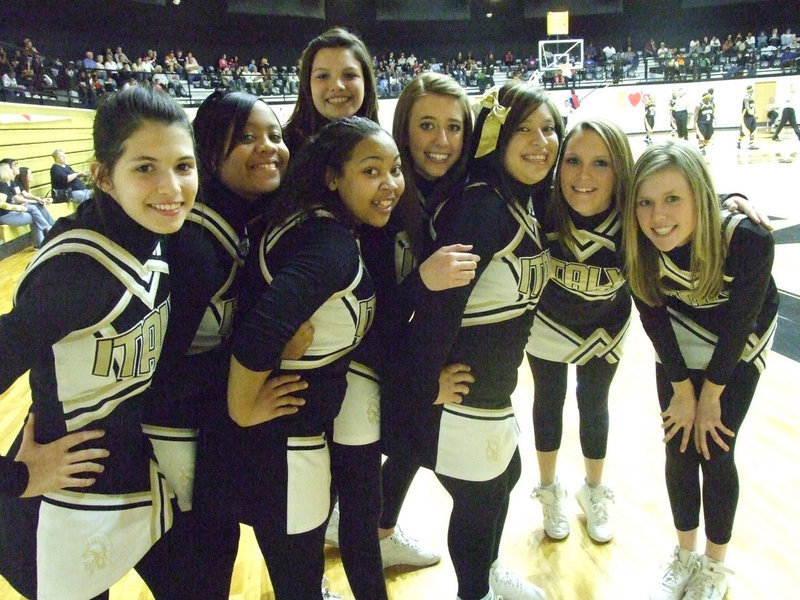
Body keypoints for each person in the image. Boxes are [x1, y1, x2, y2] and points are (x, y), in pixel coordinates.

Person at [0, 85, 198, 600]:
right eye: (145, 167)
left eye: (183, 165)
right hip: (60, 511)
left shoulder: (151, 239)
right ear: (102, 175)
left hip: (135, 484)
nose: (172, 186)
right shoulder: (74, 275)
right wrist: (16, 478)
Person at [221, 116, 403, 600]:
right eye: (371, 171)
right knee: (299, 582)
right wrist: (244, 409)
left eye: (395, 169)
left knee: (300, 577)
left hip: (299, 441)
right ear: (332, 176)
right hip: (284, 444)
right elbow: (260, 331)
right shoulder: (331, 245)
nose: (389, 184)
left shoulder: (324, 225)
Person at [393, 81, 562, 600]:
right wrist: (424, 385)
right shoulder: (481, 208)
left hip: (493, 391)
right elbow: (436, 312)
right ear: (497, 136)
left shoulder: (520, 200)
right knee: (481, 500)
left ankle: (484, 573)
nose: (540, 141)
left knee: (504, 477)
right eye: (524, 130)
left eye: (549, 129)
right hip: (462, 395)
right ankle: (476, 589)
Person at [138, 90, 293, 600]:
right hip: (164, 437)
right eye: (246, 138)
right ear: (210, 153)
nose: (267, 147)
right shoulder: (195, 244)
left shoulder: (234, 219)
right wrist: (249, 376)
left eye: (274, 134)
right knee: (199, 570)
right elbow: (152, 373)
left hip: (197, 429)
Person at [622, 140, 778, 600]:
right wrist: (681, 391)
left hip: (739, 338)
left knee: (715, 447)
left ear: (700, 198)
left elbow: (740, 323)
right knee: (678, 444)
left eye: (673, 199)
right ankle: (685, 555)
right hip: (678, 331)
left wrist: (710, 395)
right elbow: (653, 316)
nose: (657, 216)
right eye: (646, 202)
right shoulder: (635, 241)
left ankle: (714, 566)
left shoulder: (748, 239)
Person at [527, 118, 633, 545]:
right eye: (573, 160)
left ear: (621, 169)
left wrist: (733, 200)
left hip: (604, 329)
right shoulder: (539, 204)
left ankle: (593, 492)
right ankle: (550, 491)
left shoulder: (635, 214)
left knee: (594, 404)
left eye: (600, 163)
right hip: (548, 324)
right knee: (548, 402)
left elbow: (688, 204)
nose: (584, 175)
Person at [282, 27, 379, 154]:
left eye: (349, 75)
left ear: (366, 83)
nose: (337, 85)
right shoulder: (282, 152)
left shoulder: (385, 147)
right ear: (307, 86)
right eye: (322, 76)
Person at [0, 162, 54, 248]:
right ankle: (45, 234)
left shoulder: (9, 184)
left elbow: (15, 198)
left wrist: (24, 204)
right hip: (3, 215)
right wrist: (20, 207)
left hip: (11, 211)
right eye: (10, 168)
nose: (11, 170)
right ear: (5, 171)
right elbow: (2, 205)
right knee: (34, 215)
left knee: (34, 211)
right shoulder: (1, 186)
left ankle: (43, 237)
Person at [737, 85, 758, 150]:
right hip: (746, 116)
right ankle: (738, 142)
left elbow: (753, 107)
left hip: (752, 116)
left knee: (753, 129)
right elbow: (747, 107)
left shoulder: (751, 98)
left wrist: (755, 113)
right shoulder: (746, 98)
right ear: (751, 90)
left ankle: (751, 143)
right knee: (744, 130)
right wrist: (753, 114)